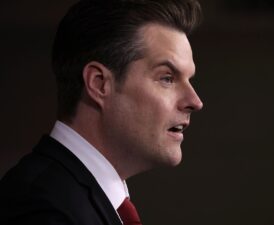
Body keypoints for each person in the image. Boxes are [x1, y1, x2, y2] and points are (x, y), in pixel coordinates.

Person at [0, 0, 203, 224]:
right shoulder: (40, 209)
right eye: (167, 78)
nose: (195, 101)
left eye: (189, 80)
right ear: (99, 84)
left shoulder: (73, 197)